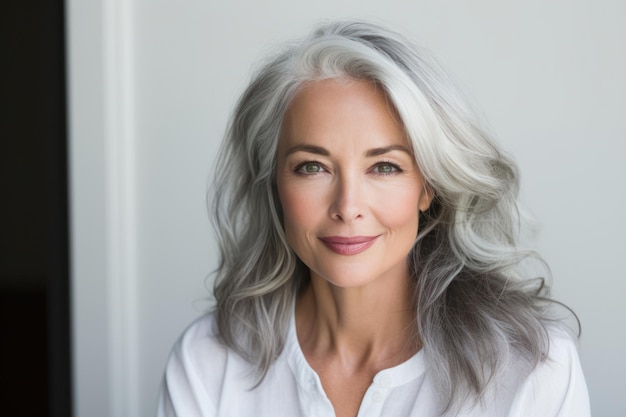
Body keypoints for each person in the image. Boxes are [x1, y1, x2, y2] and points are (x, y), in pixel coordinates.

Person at [157, 20, 590, 417]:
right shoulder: (206, 362)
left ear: (429, 186)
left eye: (384, 167)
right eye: (312, 166)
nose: (347, 206)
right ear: (275, 183)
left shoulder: (533, 369)